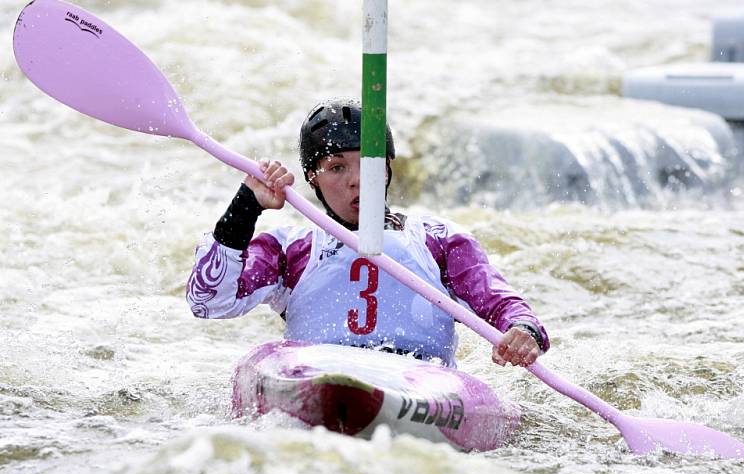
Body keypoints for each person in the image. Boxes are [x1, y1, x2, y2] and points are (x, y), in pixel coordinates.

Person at [187, 98, 549, 368]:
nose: (357, 180)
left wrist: (523, 331)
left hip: (420, 380)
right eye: (337, 167)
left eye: (369, 162)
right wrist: (247, 205)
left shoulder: (439, 241)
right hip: (319, 372)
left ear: (389, 168)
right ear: (312, 178)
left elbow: (501, 303)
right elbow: (207, 301)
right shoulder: (289, 248)